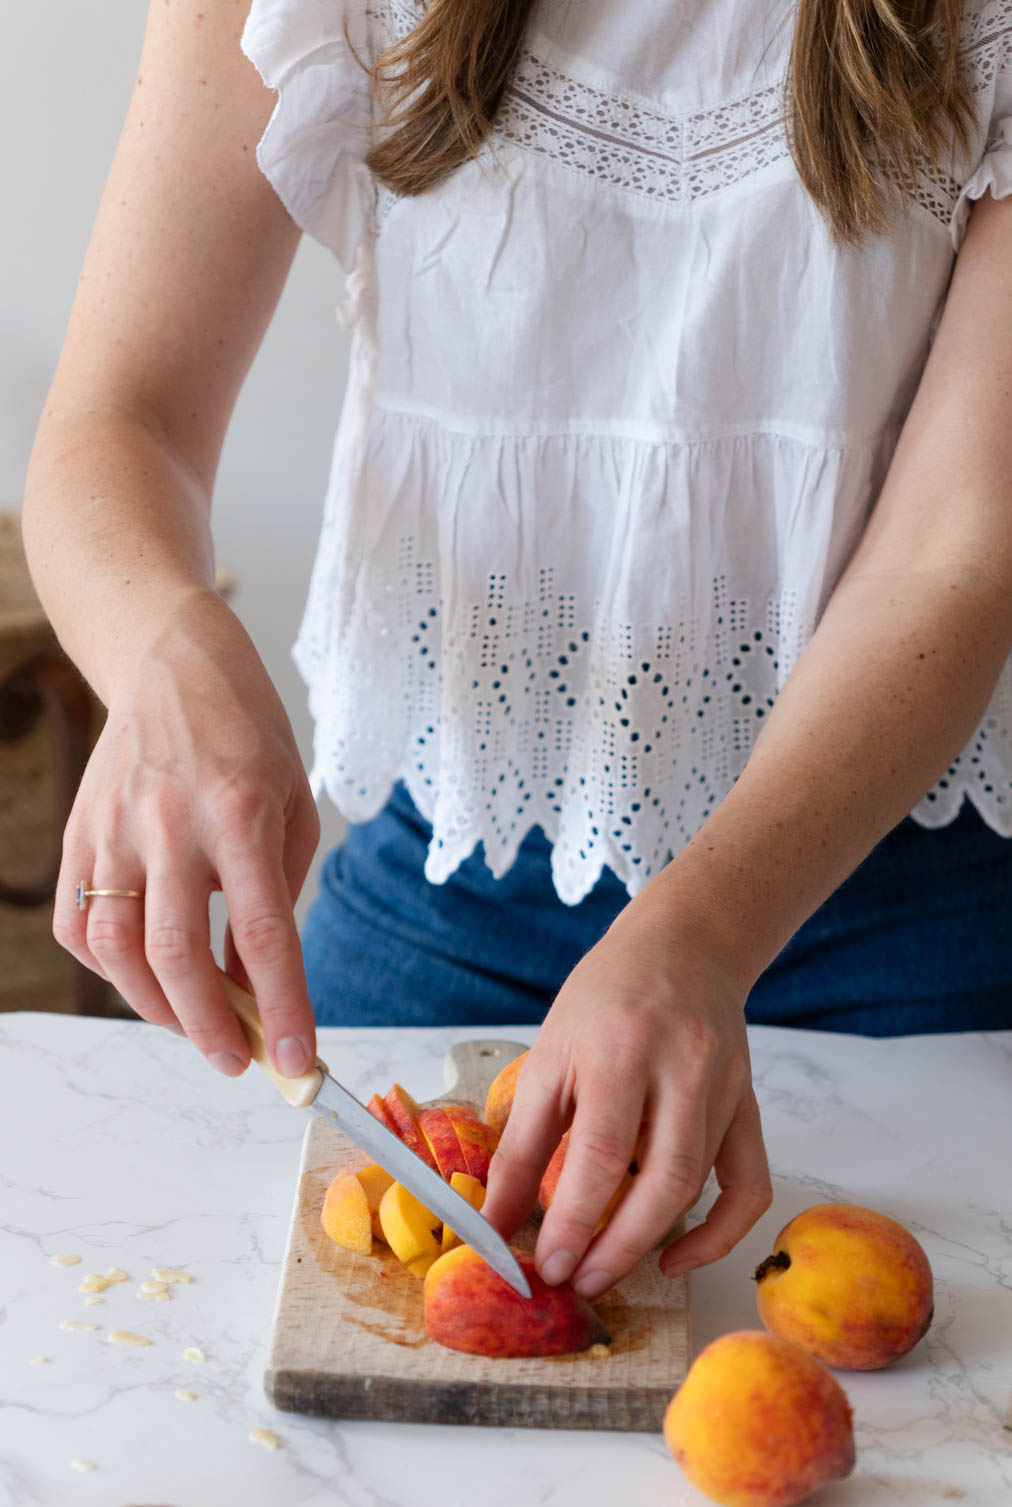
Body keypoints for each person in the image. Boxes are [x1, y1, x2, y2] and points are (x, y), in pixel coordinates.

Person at [23, 0, 1012, 1304]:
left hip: (904, 941)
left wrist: (704, 937)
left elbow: (959, 543)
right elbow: (117, 423)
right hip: (436, 908)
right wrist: (165, 648)